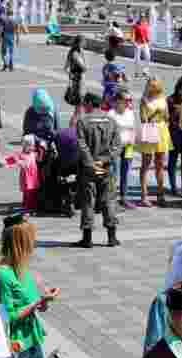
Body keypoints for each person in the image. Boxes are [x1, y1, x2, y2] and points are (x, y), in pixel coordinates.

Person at [0, 215, 58, 358]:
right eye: (30, 240)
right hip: (18, 344)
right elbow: (9, 315)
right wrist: (37, 302)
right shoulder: (4, 274)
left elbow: (33, 305)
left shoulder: (24, 270)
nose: (33, 245)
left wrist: (44, 301)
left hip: (32, 337)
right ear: (20, 243)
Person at [74, 92, 120, 249]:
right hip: (105, 167)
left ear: (88, 103)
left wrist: (91, 162)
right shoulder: (111, 121)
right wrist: (105, 160)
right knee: (109, 200)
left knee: (88, 200)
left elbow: (81, 144)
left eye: (84, 103)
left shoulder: (83, 122)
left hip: (89, 168)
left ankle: (87, 239)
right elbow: (117, 146)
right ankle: (111, 237)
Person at [138, 78, 171, 207]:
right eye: (149, 86)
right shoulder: (144, 100)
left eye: (153, 86)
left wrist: (164, 123)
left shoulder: (163, 99)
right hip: (149, 129)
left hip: (161, 129)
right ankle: (144, 195)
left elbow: (167, 116)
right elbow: (143, 119)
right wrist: (154, 116)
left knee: (160, 164)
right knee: (146, 164)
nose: (151, 88)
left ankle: (160, 193)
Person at [109, 87, 138, 209]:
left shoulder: (130, 112)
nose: (128, 102)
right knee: (114, 173)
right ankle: (112, 199)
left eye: (130, 100)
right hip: (116, 146)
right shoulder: (111, 114)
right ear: (118, 101)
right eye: (126, 100)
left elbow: (133, 128)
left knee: (126, 172)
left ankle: (124, 197)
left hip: (129, 146)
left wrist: (133, 140)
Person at [65, 35, 87, 125]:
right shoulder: (75, 54)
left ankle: (75, 129)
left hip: (76, 81)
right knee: (78, 109)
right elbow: (84, 67)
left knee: (78, 109)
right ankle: (72, 128)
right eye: (84, 42)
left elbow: (66, 68)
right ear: (80, 43)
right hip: (79, 83)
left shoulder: (71, 52)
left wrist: (71, 75)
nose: (85, 43)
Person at [132, 13, 151, 79]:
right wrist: (134, 42)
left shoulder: (146, 24)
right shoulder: (135, 25)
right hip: (138, 43)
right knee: (137, 59)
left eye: (144, 16)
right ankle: (136, 72)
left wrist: (148, 41)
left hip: (145, 43)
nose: (143, 18)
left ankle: (145, 71)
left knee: (148, 56)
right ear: (139, 17)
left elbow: (147, 33)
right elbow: (133, 34)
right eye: (141, 16)